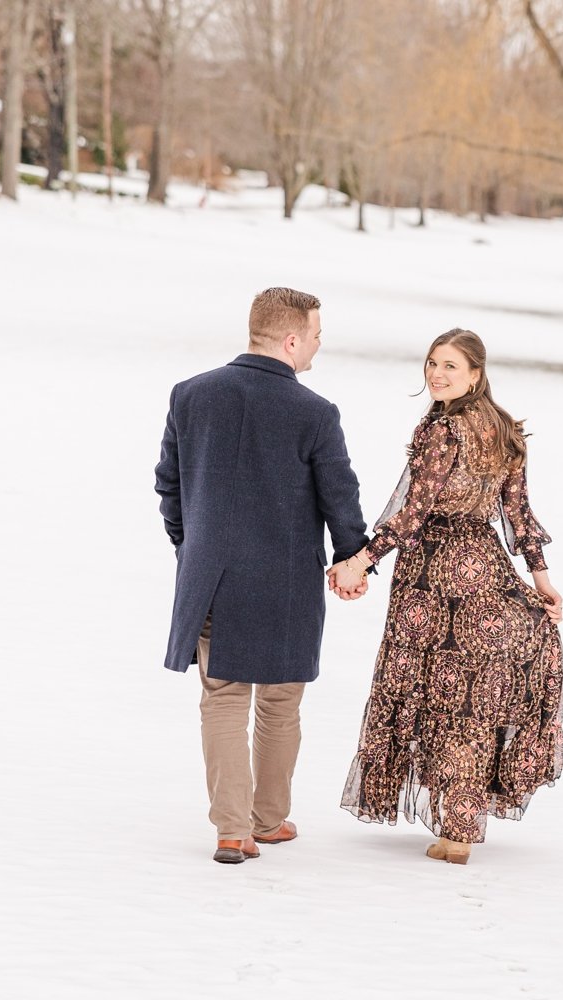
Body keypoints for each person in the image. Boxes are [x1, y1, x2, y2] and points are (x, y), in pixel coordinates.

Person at [331, 329, 563, 866]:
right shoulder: (504, 429)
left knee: (439, 694)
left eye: (450, 367)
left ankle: (456, 830)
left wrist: (359, 562)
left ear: (476, 375)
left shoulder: (444, 430)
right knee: (470, 700)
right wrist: (540, 576)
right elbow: (517, 515)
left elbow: (413, 513)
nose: (437, 374)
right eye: (432, 363)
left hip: (434, 579)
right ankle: (458, 827)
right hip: (485, 568)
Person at [154, 287, 370, 865]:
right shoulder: (315, 413)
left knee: (222, 696)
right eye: (317, 336)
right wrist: (354, 554)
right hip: (285, 580)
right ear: (292, 339)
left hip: (211, 577)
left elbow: (168, 486)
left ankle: (231, 830)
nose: (319, 347)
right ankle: (267, 821)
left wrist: (192, 545)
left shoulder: (190, 395)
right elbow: (340, 498)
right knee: (279, 700)